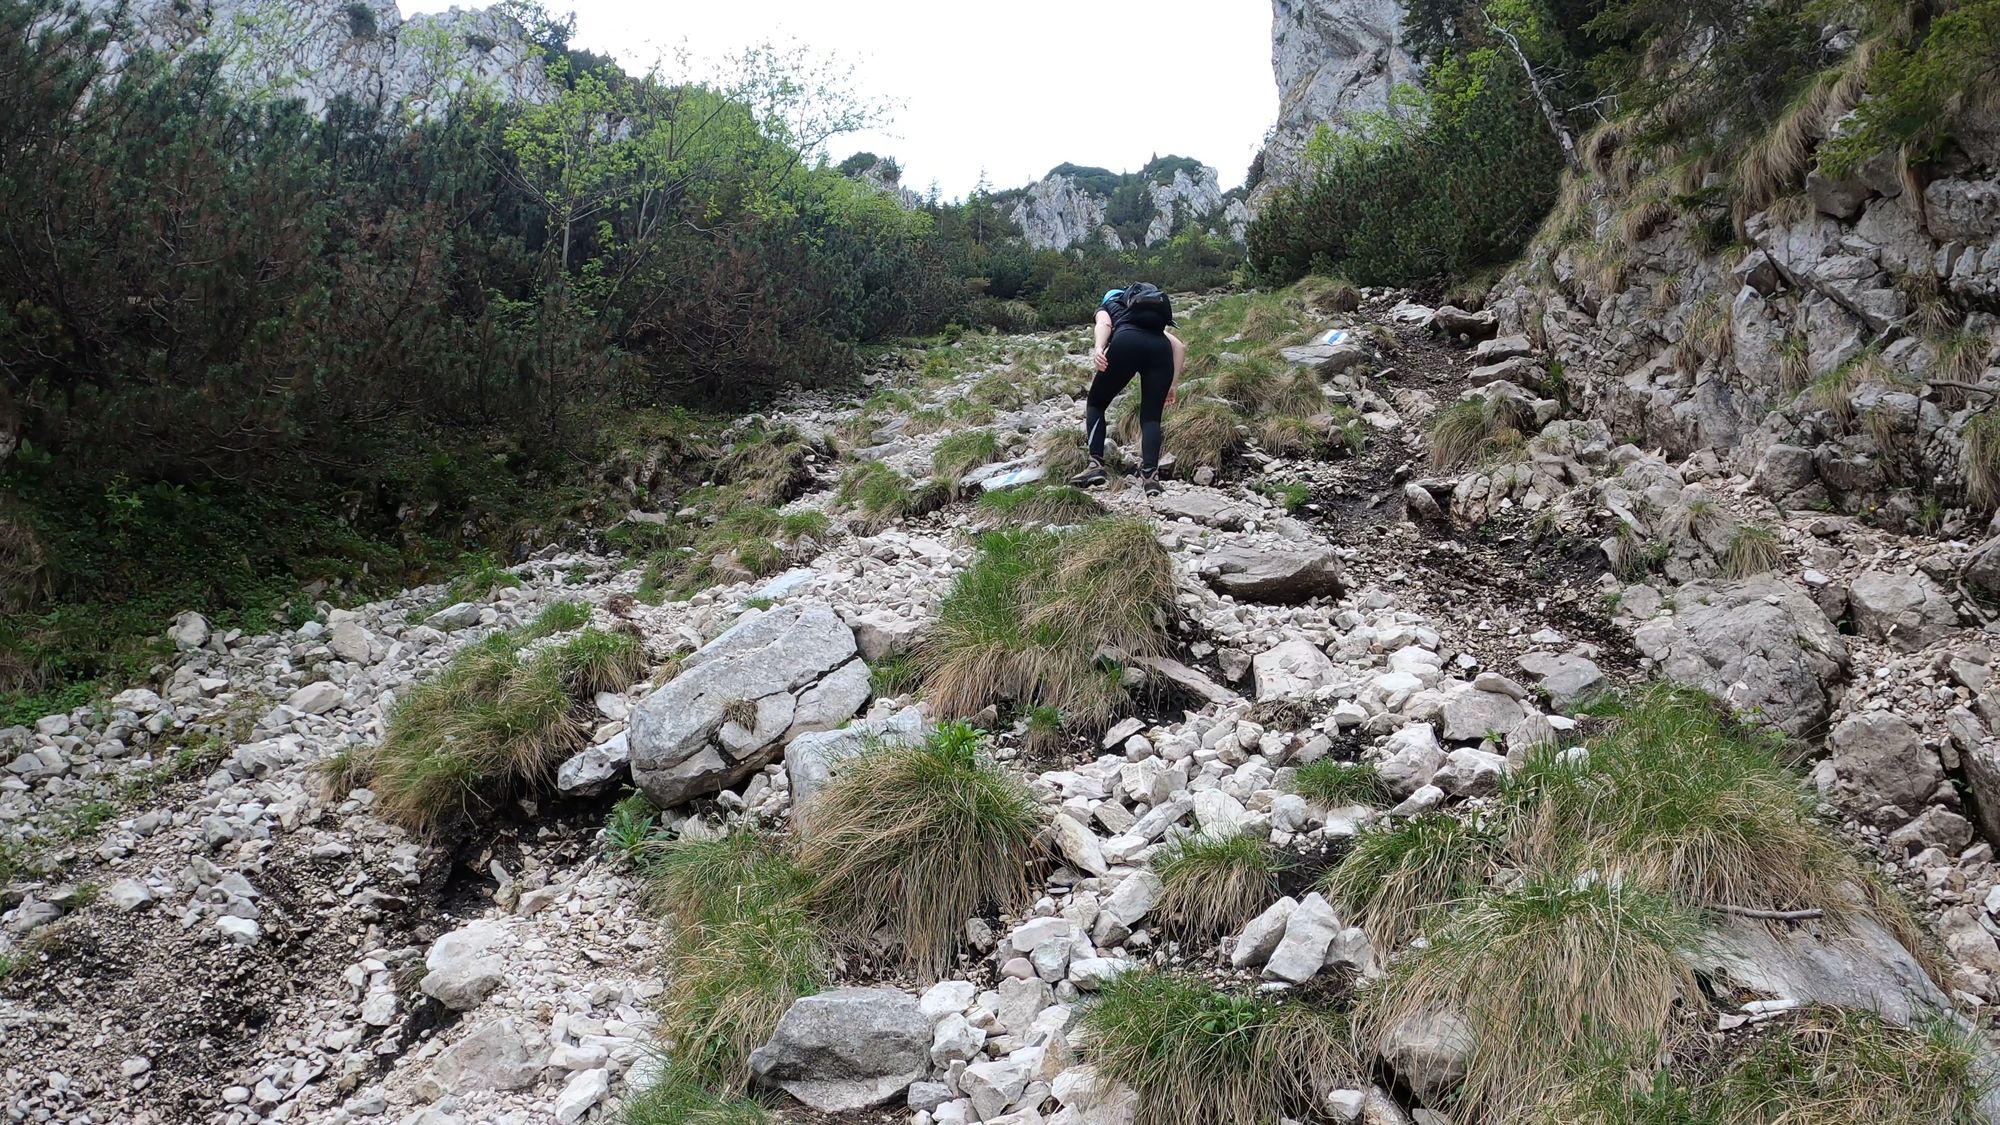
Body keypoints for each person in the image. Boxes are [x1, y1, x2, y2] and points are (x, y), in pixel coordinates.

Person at [1070, 283, 1187, 496]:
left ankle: (1096, 465)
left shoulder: (1110, 305)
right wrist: (1172, 385)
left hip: (1126, 342)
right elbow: (1180, 346)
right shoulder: (1150, 318)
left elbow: (1104, 324)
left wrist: (1099, 349)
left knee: (1096, 404)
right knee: (1151, 418)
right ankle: (1151, 477)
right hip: (1159, 350)